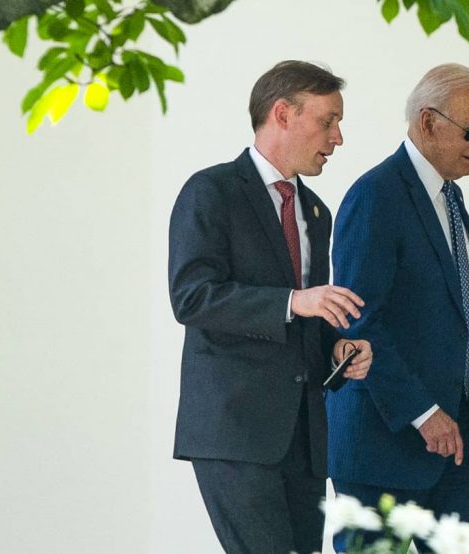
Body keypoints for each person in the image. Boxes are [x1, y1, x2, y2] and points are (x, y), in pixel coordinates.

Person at [167, 60, 372, 554]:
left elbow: (303, 323)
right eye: (328, 121)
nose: (338, 137)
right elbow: (191, 296)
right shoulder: (210, 192)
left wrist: (340, 350)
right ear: (282, 114)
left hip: (303, 441)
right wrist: (294, 301)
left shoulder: (316, 212)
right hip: (235, 433)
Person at [328, 63, 469, 553]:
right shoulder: (376, 196)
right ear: (428, 122)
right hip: (383, 448)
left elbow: (429, 300)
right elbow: (358, 319)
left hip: (451, 444)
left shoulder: (447, 197)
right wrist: (423, 413)